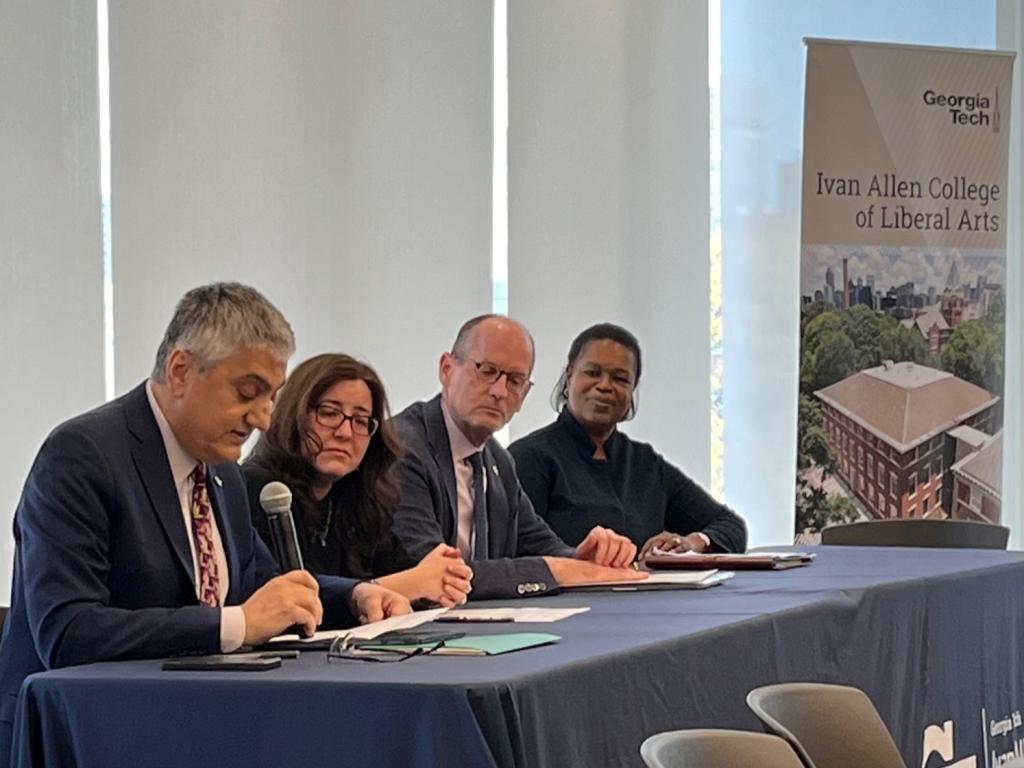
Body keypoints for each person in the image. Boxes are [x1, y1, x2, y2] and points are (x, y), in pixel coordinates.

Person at [0, 283, 409, 762]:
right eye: (247, 393)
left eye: (271, 397)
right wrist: (233, 624)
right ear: (181, 370)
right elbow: (68, 633)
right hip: (82, 737)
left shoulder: (222, 472)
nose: (261, 418)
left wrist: (355, 596)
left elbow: (259, 582)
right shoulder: (83, 454)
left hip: (188, 726)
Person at [390, 314, 644, 600]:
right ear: (447, 369)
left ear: (524, 395)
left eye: (514, 380)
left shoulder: (498, 460)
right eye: (487, 371)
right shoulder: (402, 446)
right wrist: (559, 569)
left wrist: (585, 557)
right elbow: (430, 572)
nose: (499, 391)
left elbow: (539, 544)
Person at [243, 353, 473, 607]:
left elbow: (405, 569)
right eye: (329, 413)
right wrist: (410, 584)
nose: (344, 433)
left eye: (361, 421)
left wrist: (444, 576)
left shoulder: (355, 497)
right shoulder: (260, 490)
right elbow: (288, 596)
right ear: (294, 415)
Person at [508, 323, 747, 559]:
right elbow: (522, 551)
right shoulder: (528, 458)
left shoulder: (646, 463)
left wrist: (692, 543)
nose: (604, 386)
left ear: (633, 389)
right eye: (593, 373)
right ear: (569, 376)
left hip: (652, 595)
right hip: (573, 597)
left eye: (620, 378)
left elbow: (730, 526)